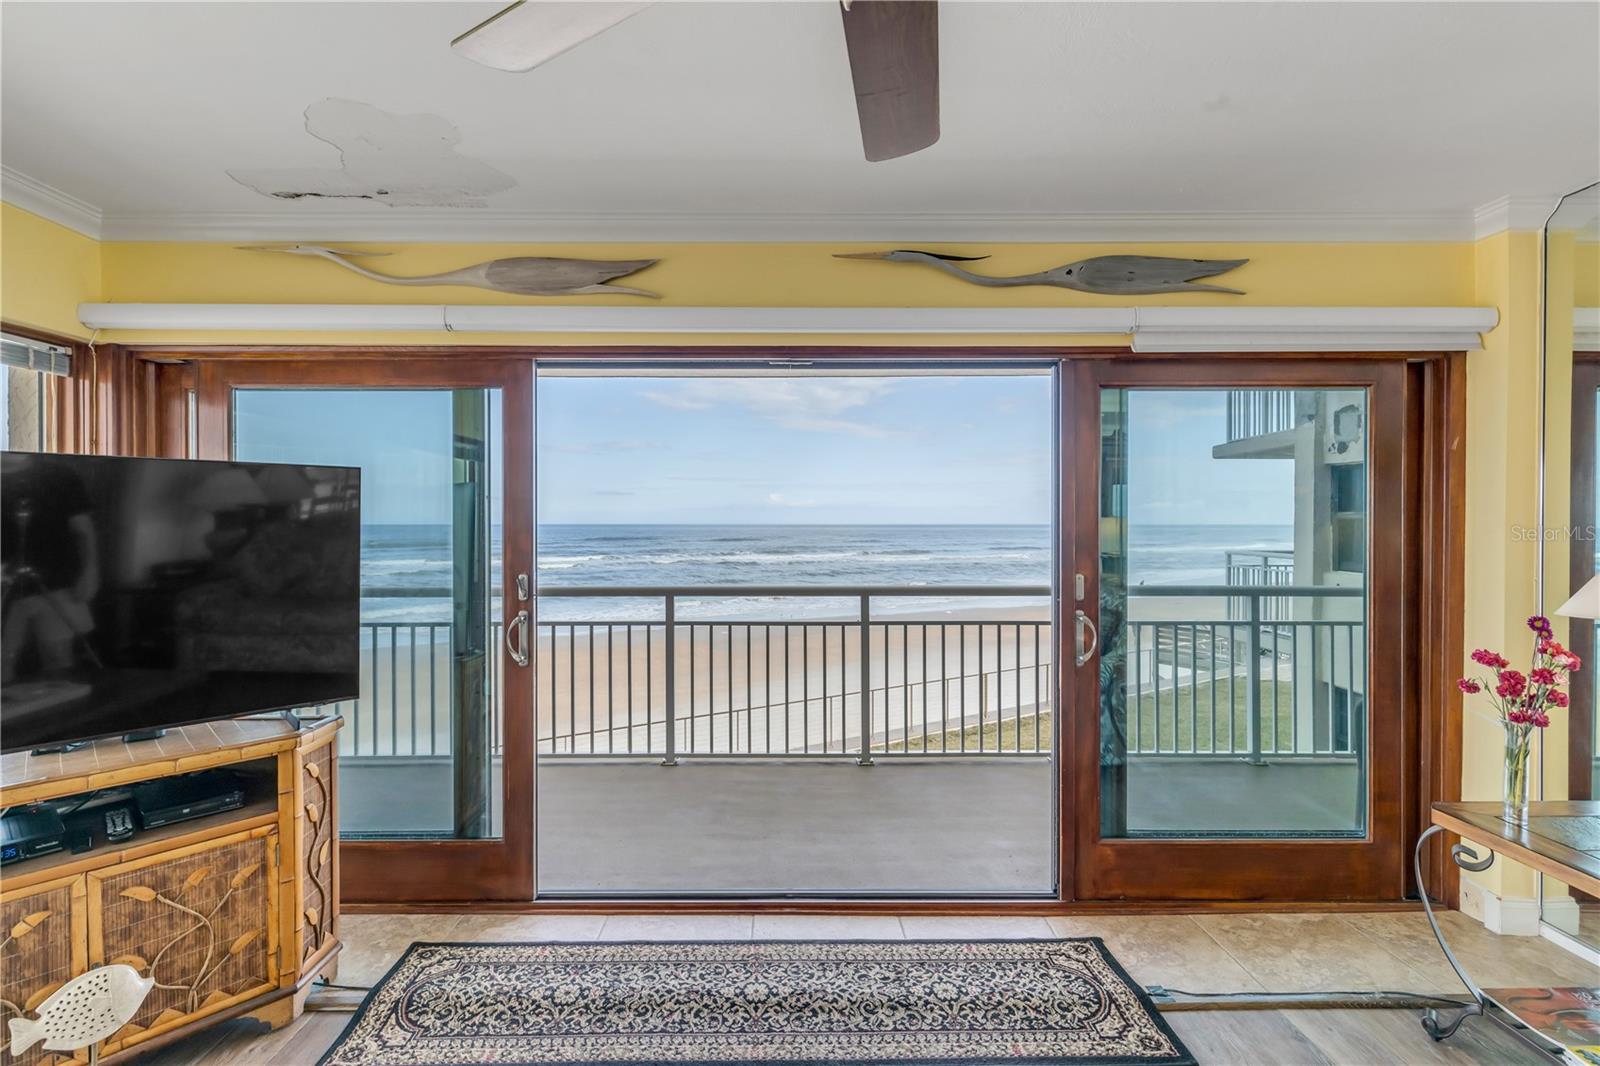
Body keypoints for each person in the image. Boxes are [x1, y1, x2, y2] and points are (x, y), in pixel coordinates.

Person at [1, 453, 100, 683]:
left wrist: (90, 572)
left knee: (59, 658)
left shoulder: (59, 474)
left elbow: (83, 529)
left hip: (58, 581)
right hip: (4, 586)